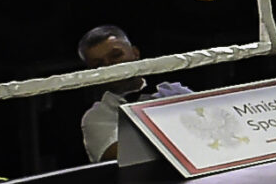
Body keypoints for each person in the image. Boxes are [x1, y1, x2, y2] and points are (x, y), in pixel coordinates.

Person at [75, 25, 190, 162]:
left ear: (135, 53)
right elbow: (126, 157)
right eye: (98, 65)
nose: (109, 66)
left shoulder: (175, 91)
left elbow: (210, 129)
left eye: (116, 55)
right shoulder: (96, 117)